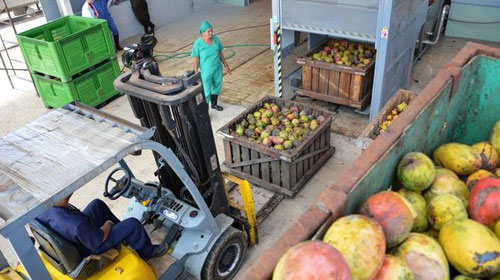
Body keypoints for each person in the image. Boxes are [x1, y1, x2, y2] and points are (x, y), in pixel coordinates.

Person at [36, 195, 167, 260]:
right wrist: (108, 224)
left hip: (71, 238)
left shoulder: (44, 209)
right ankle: (147, 252)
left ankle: (125, 238)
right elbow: (99, 238)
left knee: (96, 205)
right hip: (89, 248)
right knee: (133, 224)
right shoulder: (75, 224)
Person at [191, 21, 231, 111]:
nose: (211, 33)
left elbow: (220, 52)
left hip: (217, 69)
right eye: (208, 31)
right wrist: (196, 71)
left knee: (217, 86)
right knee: (206, 91)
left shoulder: (216, 39)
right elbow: (195, 58)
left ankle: (214, 104)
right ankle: (205, 112)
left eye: (211, 30)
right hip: (206, 72)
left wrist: (226, 65)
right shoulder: (198, 44)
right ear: (203, 33)